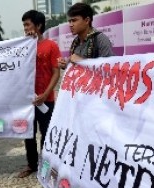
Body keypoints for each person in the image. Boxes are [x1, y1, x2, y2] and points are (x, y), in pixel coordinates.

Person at [18, 10, 62, 178]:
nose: (25, 28)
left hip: (46, 100)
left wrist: (45, 94)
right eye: (24, 25)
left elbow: (56, 73)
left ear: (39, 26)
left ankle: (45, 163)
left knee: (46, 133)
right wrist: (27, 43)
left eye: (28, 24)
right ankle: (31, 164)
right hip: (28, 101)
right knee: (28, 134)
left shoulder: (51, 46)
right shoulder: (22, 47)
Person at [58, 2, 114, 69]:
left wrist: (82, 61)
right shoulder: (75, 42)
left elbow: (109, 68)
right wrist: (65, 64)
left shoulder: (100, 39)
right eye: (69, 21)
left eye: (74, 20)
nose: (71, 25)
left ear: (87, 20)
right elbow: (73, 65)